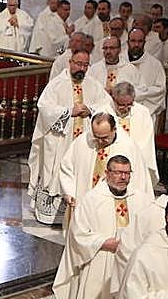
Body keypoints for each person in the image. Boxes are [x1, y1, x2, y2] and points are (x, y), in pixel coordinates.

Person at [53, 155, 151, 299]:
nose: (122, 177)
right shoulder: (92, 199)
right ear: (107, 173)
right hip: (100, 260)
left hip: (129, 264)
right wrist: (106, 243)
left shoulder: (141, 199)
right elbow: (78, 234)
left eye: (126, 173)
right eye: (117, 172)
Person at [27, 51, 113, 225]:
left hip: (85, 142)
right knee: (57, 171)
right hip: (60, 141)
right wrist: (68, 112)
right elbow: (45, 108)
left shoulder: (93, 85)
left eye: (85, 65)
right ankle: (52, 215)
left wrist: (91, 110)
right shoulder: (56, 84)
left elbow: (107, 105)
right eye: (78, 63)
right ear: (70, 62)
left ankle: (79, 215)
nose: (81, 68)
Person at [57, 112, 152, 211]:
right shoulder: (82, 141)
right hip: (82, 204)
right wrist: (69, 192)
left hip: (112, 207)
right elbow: (66, 167)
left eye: (104, 138)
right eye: (96, 137)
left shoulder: (128, 147)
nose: (100, 142)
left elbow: (139, 181)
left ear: (114, 129)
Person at [110, 82, 158, 190]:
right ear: (114, 99)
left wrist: (131, 155)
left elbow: (146, 142)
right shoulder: (105, 111)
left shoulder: (143, 113)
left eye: (129, 104)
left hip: (135, 162)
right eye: (122, 105)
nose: (126, 108)